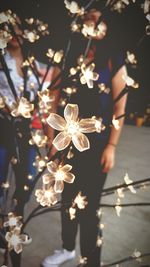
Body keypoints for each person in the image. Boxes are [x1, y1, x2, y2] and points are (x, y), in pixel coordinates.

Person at [42, 8, 127, 267]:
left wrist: (111, 145)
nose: (93, 18)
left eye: (98, 16)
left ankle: (91, 261)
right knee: (67, 199)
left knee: (89, 208)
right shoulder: (67, 57)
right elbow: (52, 103)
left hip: (97, 144)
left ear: (105, 27)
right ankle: (67, 248)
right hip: (66, 142)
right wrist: (51, 143)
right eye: (88, 14)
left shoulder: (114, 60)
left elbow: (119, 109)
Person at [0, 14, 59, 215]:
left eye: (18, 29)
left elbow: (47, 93)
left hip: (28, 130)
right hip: (3, 125)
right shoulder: (2, 60)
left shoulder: (34, 63)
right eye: (10, 29)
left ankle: (16, 216)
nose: (15, 34)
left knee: (29, 177)